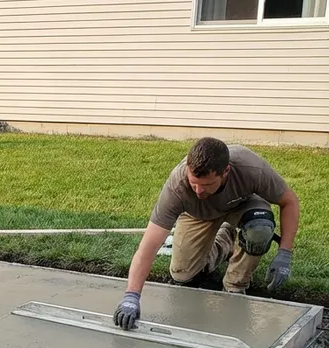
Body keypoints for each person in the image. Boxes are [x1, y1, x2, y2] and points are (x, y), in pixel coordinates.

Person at [113, 137, 300, 330]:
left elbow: (289, 202)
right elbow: (149, 246)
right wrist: (131, 296)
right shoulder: (177, 186)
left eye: (207, 185)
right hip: (198, 214)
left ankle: (236, 284)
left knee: (259, 231)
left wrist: (284, 253)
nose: (199, 191)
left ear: (225, 172)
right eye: (194, 183)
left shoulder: (251, 168)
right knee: (183, 275)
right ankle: (227, 239)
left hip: (242, 206)